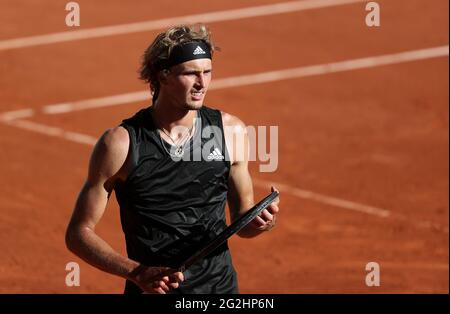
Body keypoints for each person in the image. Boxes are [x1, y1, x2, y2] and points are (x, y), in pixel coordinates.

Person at [65, 24, 280, 294]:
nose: (202, 83)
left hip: (219, 290)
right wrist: (137, 272)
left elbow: (243, 223)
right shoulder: (121, 144)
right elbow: (78, 233)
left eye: (208, 72)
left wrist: (261, 222)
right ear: (163, 75)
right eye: (191, 73)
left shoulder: (230, 132)